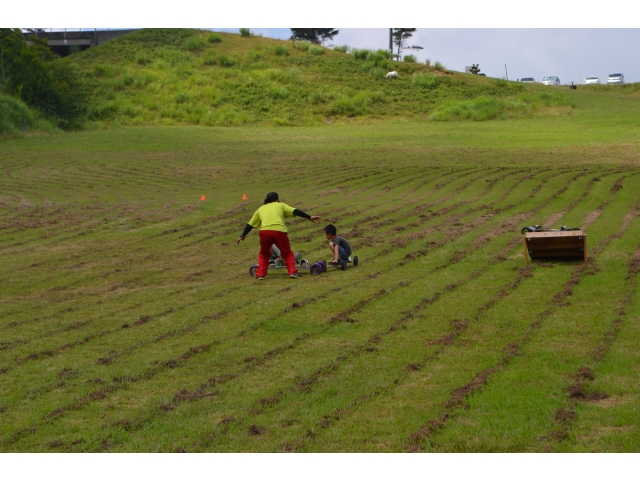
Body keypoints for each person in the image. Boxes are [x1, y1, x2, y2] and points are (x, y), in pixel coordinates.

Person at [237, 192, 320, 279]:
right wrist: (309, 217)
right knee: (287, 253)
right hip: (279, 231)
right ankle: (292, 272)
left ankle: (260, 274)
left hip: (265, 232)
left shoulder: (261, 209)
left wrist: (242, 235)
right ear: (277, 200)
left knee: (264, 254)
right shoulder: (281, 205)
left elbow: (250, 224)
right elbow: (295, 211)